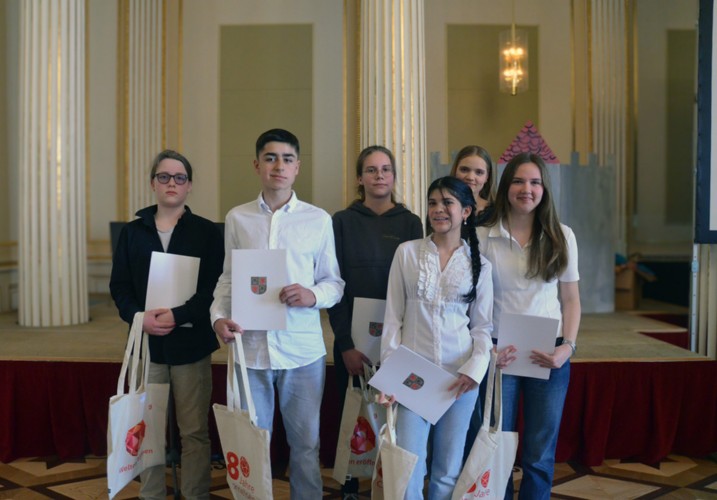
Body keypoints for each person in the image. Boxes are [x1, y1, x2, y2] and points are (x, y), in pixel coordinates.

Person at [210, 128, 345, 499]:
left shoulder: (318, 220)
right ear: (257, 165)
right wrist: (218, 317)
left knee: (306, 445)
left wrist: (312, 294)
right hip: (251, 350)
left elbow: (334, 283)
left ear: (297, 167)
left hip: (301, 351)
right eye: (270, 158)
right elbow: (228, 278)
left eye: (287, 159)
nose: (278, 166)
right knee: (252, 445)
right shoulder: (238, 218)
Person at [109, 149, 224, 500]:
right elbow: (120, 287)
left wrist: (180, 314)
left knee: (194, 431)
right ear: (153, 183)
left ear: (189, 185)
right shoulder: (133, 232)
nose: (171, 183)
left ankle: (195, 495)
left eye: (179, 177)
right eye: (164, 177)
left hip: (191, 344)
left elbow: (214, 288)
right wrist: (138, 318)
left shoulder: (207, 232)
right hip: (148, 346)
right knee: (147, 429)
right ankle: (151, 495)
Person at [379, 176, 494, 499]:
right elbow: (393, 319)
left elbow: (482, 328)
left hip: (459, 379)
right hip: (413, 375)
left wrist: (474, 371)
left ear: (466, 211)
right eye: (432, 203)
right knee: (409, 466)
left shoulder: (480, 265)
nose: (438, 209)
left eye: (447, 203)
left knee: (447, 470)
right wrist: (390, 375)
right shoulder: (406, 253)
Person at [477, 152, 581, 500]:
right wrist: (487, 348)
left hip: (549, 352)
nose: (527, 189)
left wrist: (567, 348)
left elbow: (571, 299)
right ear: (506, 186)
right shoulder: (483, 236)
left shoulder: (562, 235)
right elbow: (474, 302)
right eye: (519, 181)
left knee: (540, 452)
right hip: (498, 352)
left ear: (544, 189)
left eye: (535, 182)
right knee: (497, 446)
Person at [328, 145, 423, 499]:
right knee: (352, 413)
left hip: (399, 338)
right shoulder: (341, 221)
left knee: (394, 413)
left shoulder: (411, 222)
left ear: (394, 177)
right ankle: (351, 483)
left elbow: (415, 287)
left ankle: (392, 482)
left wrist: (405, 343)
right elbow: (334, 285)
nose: (379, 175)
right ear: (359, 178)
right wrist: (345, 344)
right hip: (353, 340)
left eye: (385, 169)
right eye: (371, 170)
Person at [449, 145, 496, 226]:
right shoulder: (440, 207)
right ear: (455, 171)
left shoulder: (497, 213)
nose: (470, 177)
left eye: (479, 172)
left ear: (487, 177)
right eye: (464, 170)